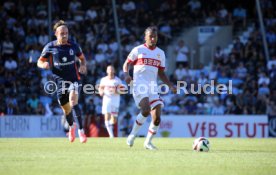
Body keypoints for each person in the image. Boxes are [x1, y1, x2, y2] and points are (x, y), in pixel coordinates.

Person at [123, 26, 176, 150]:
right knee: (146, 110)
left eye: (155, 36)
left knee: (157, 117)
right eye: (150, 36)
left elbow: (161, 73)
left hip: (152, 86)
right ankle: (132, 134)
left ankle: (148, 142)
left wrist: (170, 85)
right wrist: (127, 75)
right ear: (145, 37)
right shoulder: (138, 50)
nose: (153, 39)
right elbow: (127, 64)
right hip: (139, 84)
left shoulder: (160, 53)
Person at [37, 20, 87, 143]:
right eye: (62, 33)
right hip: (59, 83)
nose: (64, 35)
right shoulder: (50, 47)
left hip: (74, 79)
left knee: (73, 101)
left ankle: (81, 132)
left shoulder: (74, 46)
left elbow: (82, 58)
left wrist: (83, 65)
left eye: (66, 33)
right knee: (66, 110)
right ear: (56, 34)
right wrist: (43, 65)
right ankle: (71, 128)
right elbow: (39, 61)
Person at [99, 65, 123, 138]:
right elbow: (101, 88)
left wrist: (116, 91)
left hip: (115, 100)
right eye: (109, 69)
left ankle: (110, 127)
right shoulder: (103, 80)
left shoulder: (117, 80)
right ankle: (111, 135)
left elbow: (121, 91)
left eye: (112, 69)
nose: (110, 71)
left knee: (114, 119)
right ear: (107, 71)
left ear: (114, 71)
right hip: (107, 99)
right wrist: (101, 92)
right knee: (107, 115)